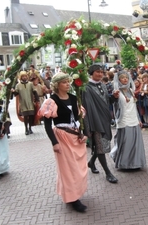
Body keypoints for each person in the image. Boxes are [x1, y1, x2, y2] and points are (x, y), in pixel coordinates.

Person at [42, 72, 88, 213]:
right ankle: (73, 199)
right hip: (62, 137)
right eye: (64, 82)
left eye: (68, 81)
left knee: (78, 167)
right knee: (67, 169)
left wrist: (83, 132)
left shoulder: (74, 98)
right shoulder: (52, 101)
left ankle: (75, 192)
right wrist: (54, 142)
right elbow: (47, 124)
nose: (68, 84)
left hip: (75, 136)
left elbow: (80, 118)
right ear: (57, 85)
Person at [82, 64, 119, 184]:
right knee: (101, 145)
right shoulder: (86, 88)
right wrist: (89, 125)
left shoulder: (102, 84)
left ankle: (91, 162)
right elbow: (87, 106)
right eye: (97, 72)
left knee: (101, 145)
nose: (100, 74)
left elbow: (106, 101)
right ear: (91, 73)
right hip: (95, 120)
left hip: (104, 118)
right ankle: (108, 173)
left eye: (101, 72)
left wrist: (113, 97)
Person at [109, 70, 146, 169]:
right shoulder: (116, 92)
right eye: (122, 77)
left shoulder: (131, 90)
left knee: (135, 142)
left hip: (133, 118)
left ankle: (135, 163)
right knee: (126, 142)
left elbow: (134, 107)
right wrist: (114, 98)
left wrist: (138, 119)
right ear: (119, 79)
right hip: (124, 119)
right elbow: (115, 105)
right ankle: (124, 163)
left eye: (127, 77)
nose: (125, 79)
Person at [12, 71, 39, 135]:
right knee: (25, 117)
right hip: (23, 103)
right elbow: (16, 94)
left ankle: (30, 128)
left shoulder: (30, 84)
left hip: (30, 103)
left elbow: (34, 92)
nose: (24, 77)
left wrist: (37, 100)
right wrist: (13, 91)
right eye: (23, 76)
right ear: (21, 77)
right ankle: (26, 129)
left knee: (31, 116)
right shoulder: (18, 85)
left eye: (25, 76)